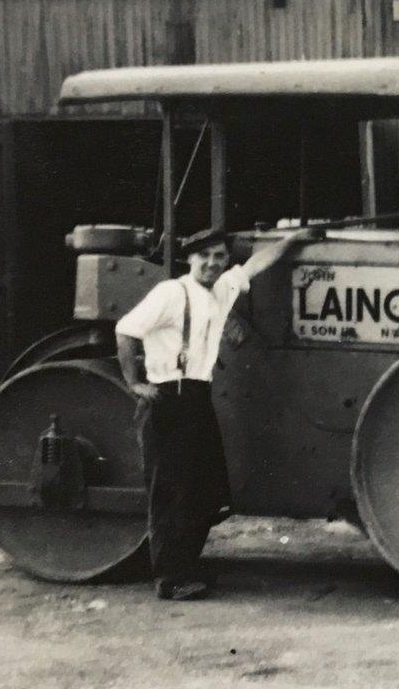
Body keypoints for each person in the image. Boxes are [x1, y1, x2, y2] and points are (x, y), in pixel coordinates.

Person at [115, 226, 316, 600]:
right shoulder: (171, 293)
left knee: (205, 491)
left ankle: (187, 565)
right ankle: (170, 579)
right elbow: (125, 330)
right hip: (169, 397)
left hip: (197, 396)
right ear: (190, 259)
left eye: (219, 257)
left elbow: (256, 263)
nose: (211, 263)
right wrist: (134, 383)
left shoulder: (221, 290)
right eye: (204, 256)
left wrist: (292, 240)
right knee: (171, 492)